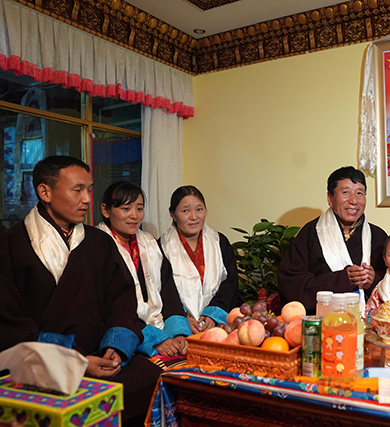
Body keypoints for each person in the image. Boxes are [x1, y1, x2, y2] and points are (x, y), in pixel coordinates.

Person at [0, 156, 161, 425]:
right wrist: (77, 361)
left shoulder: (99, 242)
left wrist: (115, 348)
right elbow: (8, 323)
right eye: (77, 190)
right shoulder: (10, 245)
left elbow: (121, 300)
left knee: (150, 377)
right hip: (43, 362)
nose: (87, 199)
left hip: (101, 353)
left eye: (89, 190)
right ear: (45, 192)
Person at [97, 181, 191, 358]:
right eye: (126, 209)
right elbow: (110, 307)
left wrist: (178, 333)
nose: (134, 215)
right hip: (123, 334)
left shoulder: (149, 244)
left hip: (161, 330)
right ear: (105, 210)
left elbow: (168, 291)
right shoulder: (98, 247)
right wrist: (154, 339)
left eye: (139, 209)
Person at [278, 166, 388, 312]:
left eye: (360, 193)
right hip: (321, 318)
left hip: (369, 320)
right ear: (330, 198)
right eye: (345, 192)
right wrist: (342, 280)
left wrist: (374, 280)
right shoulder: (310, 233)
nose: (354, 200)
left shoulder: (378, 236)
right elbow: (292, 284)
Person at [160, 186, 239, 335]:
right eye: (185, 211)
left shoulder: (219, 241)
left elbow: (230, 283)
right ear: (173, 214)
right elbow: (164, 291)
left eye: (199, 209)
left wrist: (212, 314)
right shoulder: (161, 248)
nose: (194, 217)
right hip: (180, 328)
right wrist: (183, 318)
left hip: (217, 326)